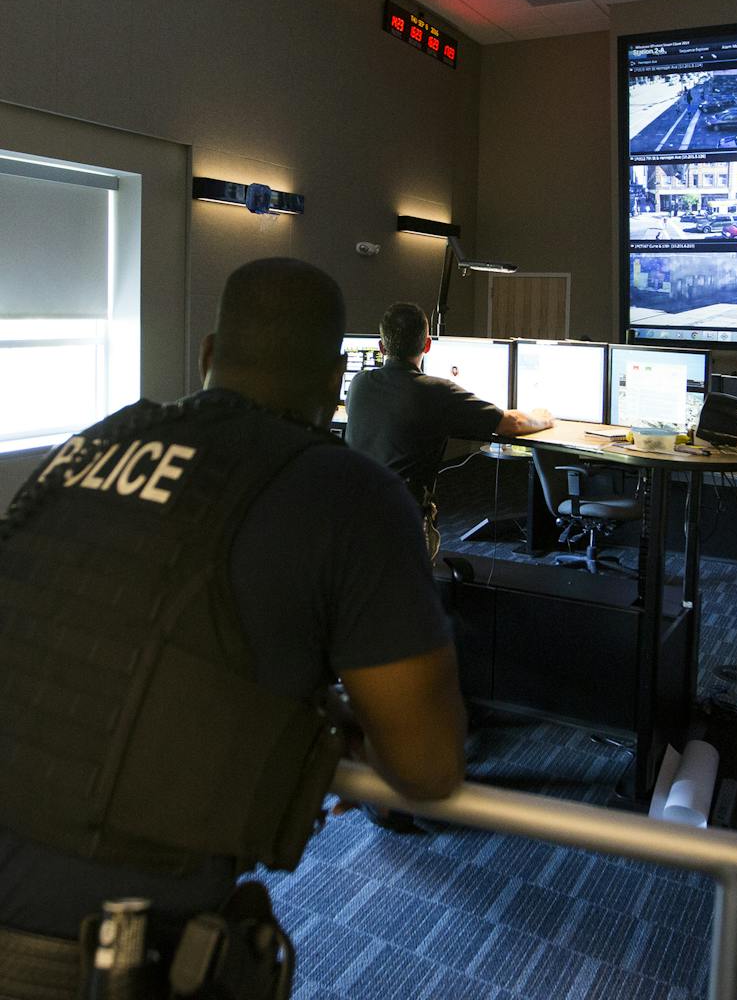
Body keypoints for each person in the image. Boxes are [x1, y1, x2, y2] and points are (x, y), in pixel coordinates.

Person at [0, 259, 468, 996]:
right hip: (90, 959)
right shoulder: (351, 495)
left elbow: (115, 635)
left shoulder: (86, 448)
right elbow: (430, 766)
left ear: (208, 354)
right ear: (339, 374)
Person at [344, 302, 552, 558]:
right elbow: (513, 424)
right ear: (427, 345)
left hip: (352, 518)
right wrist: (543, 418)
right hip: (403, 523)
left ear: (381, 347)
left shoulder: (358, 384)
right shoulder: (437, 391)